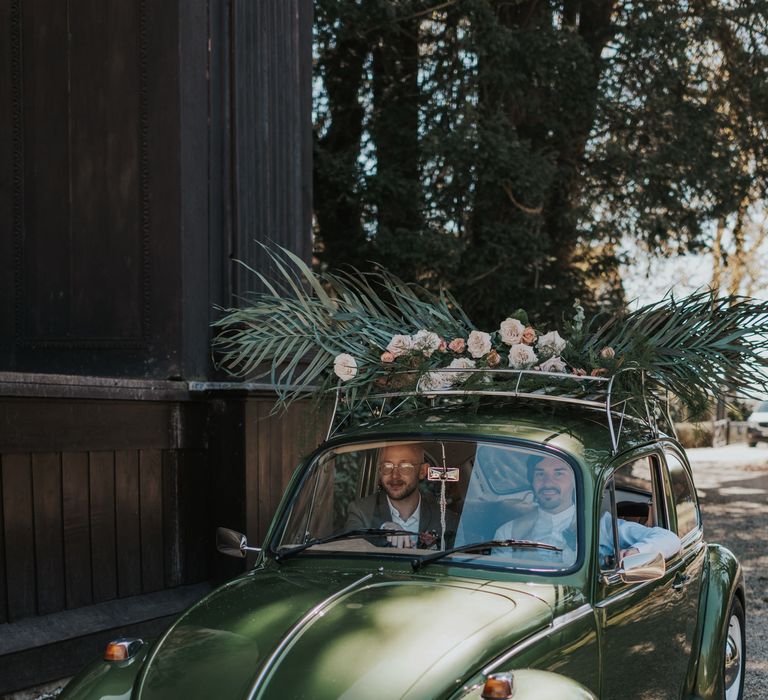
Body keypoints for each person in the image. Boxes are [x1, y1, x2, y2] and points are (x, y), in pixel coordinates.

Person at [493, 456, 681, 566]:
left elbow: (670, 539)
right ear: (532, 481)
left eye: (559, 473)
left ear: (575, 481)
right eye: (540, 474)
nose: (548, 483)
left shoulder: (600, 525)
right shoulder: (508, 531)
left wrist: (635, 552)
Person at [345, 443, 458, 549]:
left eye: (405, 467)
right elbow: (349, 547)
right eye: (387, 466)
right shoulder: (361, 511)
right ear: (380, 472)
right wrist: (383, 528)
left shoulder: (445, 519)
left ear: (422, 471)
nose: (394, 476)